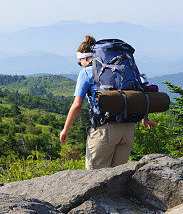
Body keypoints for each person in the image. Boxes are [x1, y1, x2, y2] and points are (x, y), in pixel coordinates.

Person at [59, 35, 156, 169]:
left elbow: (77, 105)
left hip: (105, 129)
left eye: (79, 61)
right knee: (117, 176)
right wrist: (145, 117)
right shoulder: (124, 69)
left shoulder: (86, 72)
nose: (80, 64)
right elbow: (138, 91)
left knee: (95, 176)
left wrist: (65, 129)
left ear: (85, 58)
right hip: (128, 129)